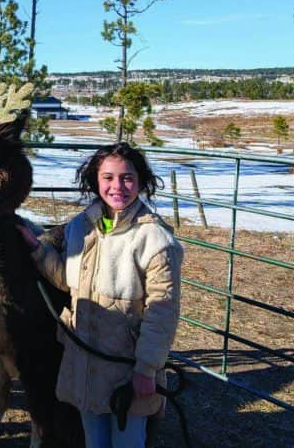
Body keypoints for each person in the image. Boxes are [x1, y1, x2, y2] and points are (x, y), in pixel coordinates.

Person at [17, 142, 183, 448]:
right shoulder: (81, 226)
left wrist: (146, 370)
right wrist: (37, 249)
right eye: (108, 177)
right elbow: (70, 281)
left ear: (141, 181)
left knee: (127, 443)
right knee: (93, 442)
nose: (117, 186)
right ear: (95, 180)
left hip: (126, 366)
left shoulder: (156, 239)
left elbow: (163, 311)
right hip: (85, 363)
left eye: (127, 177)